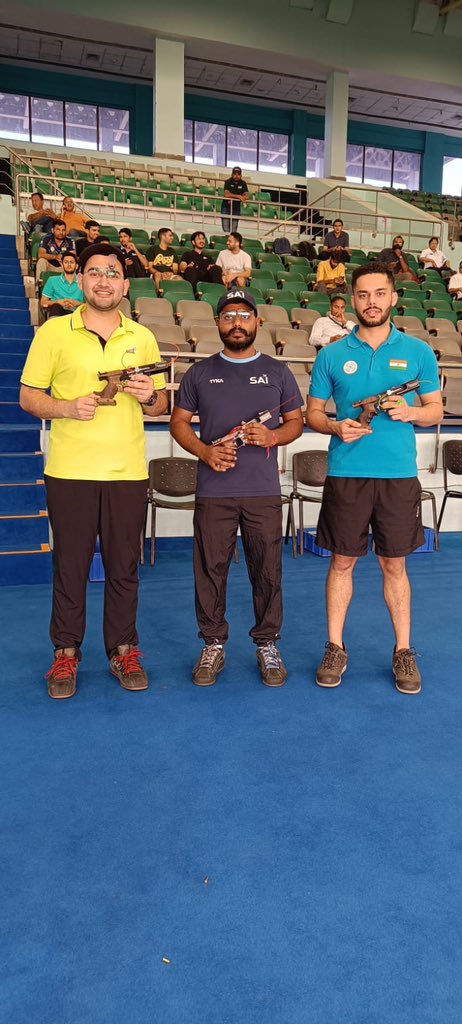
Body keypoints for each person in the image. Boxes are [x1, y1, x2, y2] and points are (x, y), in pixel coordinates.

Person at [19, 243, 168, 699]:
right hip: (70, 472)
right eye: (94, 272)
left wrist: (147, 397)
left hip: (126, 471)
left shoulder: (142, 337)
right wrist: (64, 407)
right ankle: (66, 653)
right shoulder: (53, 333)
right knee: (71, 567)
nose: (104, 280)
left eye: (113, 273)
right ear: (81, 280)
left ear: (125, 284)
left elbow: (161, 405)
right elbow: (28, 397)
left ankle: (123, 649)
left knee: (125, 567)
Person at [306, 262, 443, 695]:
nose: (372, 302)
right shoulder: (331, 354)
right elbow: (313, 413)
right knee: (342, 561)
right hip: (347, 472)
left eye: (380, 294)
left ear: (393, 298)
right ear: (353, 299)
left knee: (394, 564)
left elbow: (435, 410)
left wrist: (412, 412)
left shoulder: (418, 351)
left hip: (398, 475)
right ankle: (334, 646)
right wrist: (334, 426)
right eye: (363, 295)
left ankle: (403, 650)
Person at [170, 289, 304, 688]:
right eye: (228, 316)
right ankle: (212, 643)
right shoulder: (199, 372)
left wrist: (273, 436)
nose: (237, 322)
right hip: (214, 492)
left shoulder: (278, 372)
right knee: (210, 570)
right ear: (218, 324)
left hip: (262, 492)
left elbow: (296, 423)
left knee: (267, 570)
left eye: (245, 315)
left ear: (258, 322)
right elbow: (179, 423)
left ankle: (267, 643)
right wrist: (204, 452)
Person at [40, 252, 83, 318]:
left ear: (76, 266)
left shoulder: (83, 281)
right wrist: (58, 302)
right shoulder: (52, 280)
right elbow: (43, 302)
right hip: (58, 313)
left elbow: (92, 305)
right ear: (62, 265)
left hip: (78, 314)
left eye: (71, 262)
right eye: (66, 262)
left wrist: (78, 303)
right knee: (56, 306)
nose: (69, 265)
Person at [221, 166, 249, 233]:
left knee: (234, 230)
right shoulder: (228, 182)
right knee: (226, 229)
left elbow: (247, 196)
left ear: (241, 175)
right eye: (235, 174)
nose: (236, 176)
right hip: (226, 208)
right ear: (232, 174)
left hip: (236, 209)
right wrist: (239, 196)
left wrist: (232, 197)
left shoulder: (243, 183)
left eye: (238, 174)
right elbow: (226, 194)